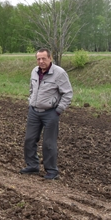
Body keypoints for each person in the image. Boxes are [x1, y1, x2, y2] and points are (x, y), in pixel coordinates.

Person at [20, 48, 73, 180]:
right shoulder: (34, 71)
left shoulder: (59, 73)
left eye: (44, 58)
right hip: (34, 111)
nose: (41, 61)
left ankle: (52, 170)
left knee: (49, 143)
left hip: (50, 112)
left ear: (50, 58)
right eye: (38, 59)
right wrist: (31, 100)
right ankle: (32, 165)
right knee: (29, 139)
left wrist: (58, 110)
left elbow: (67, 93)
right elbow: (32, 88)